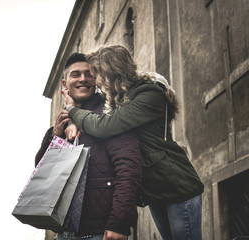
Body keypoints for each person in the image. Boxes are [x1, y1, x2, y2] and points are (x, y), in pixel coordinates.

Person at [61, 45, 204, 240]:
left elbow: (104, 126)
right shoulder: (120, 98)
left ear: (110, 72)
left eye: (96, 75)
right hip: (155, 189)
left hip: (176, 185)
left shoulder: (149, 94)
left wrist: (72, 110)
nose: (94, 81)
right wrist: (71, 119)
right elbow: (96, 114)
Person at [35, 52, 142, 240]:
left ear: (97, 80)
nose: (83, 79)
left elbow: (128, 169)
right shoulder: (60, 125)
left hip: (100, 232)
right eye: (76, 74)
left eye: (89, 74)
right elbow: (42, 173)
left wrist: (119, 223)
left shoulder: (111, 115)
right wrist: (56, 136)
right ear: (65, 84)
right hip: (64, 232)